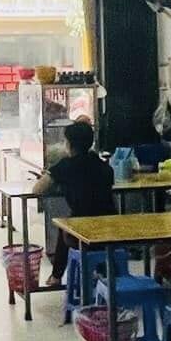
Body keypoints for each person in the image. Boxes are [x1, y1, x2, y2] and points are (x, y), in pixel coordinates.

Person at [33, 119, 114, 286]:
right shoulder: (103, 165)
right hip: (110, 226)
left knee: (66, 226)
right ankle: (101, 271)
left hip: (83, 230)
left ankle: (56, 276)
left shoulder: (66, 165)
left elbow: (37, 189)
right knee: (68, 223)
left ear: (69, 144)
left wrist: (52, 177)